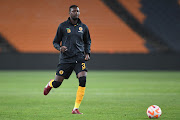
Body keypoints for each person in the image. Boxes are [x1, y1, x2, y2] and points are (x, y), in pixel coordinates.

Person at [43, 5, 91, 114]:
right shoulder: (62, 26)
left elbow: (87, 41)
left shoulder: (83, 27)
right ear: (69, 13)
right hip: (66, 59)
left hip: (79, 58)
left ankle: (75, 108)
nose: (76, 13)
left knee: (83, 79)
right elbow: (55, 42)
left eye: (78, 11)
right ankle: (50, 84)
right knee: (57, 83)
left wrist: (87, 52)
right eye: (74, 11)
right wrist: (60, 48)